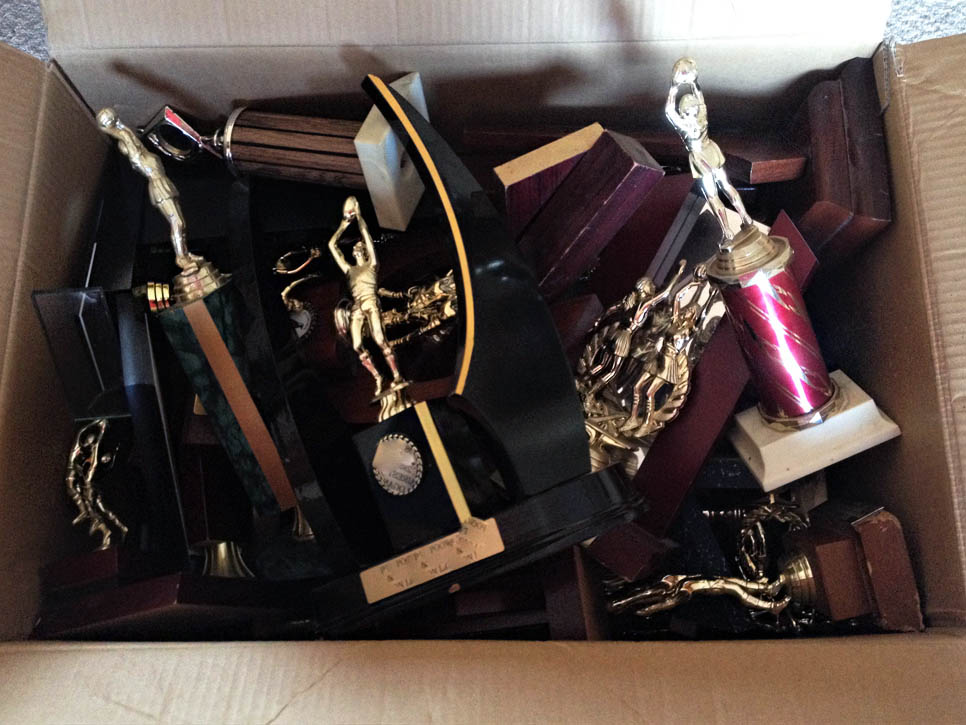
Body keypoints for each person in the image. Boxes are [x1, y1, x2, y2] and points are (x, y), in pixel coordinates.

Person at [665, 57, 753, 245]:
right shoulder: (701, 116)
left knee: (713, 194)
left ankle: (728, 230)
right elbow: (700, 97)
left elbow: (669, 111)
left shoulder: (684, 124)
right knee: (725, 185)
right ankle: (745, 218)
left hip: (701, 156)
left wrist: (674, 87)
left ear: (684, 111)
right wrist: (693, 82)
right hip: (710, 151)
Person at [96, 108, 195, 270]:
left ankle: (185, 253)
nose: (134, 142)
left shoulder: (145, 153)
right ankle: (181, 259)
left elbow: (130, 135)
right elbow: (126, 137)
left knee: (181, 222)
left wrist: (118, 122)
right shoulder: (138, 158)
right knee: (177, 222)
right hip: (159, 187)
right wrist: (109, 127)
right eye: (131, 144)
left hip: (164, 183)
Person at [328, 197, 406, 398]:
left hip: (371, 302)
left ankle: (397, 374)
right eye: (355, 249)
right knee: (356, 345)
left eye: (359, 248)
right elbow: (332, 246)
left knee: (380, 339)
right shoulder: (349, 270)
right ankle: (378, 378)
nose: (357, 250)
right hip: (357, 307)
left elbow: (367, 235)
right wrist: (343, 225)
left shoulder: (371, 266)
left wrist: (360, 217)